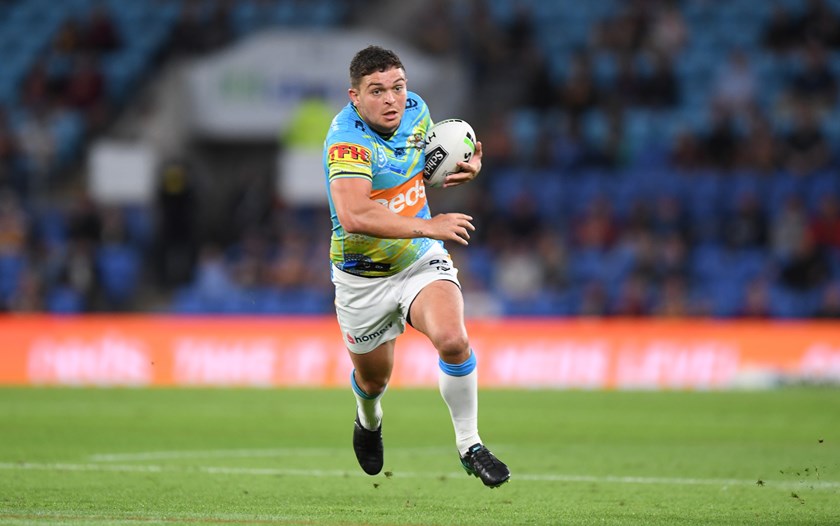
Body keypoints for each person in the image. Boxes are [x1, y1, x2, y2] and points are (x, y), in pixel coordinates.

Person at [323, 45, 510, 488]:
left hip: (418, 259)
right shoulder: (346, 141)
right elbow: (354, 215)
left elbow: (419, 170)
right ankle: (368, 419)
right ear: (354, 96)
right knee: (374, 380)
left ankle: (470, 445)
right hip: (362, 277)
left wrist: (462, 169)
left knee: (453, 339)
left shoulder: (416, 111)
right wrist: (429, 225)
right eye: (377, 91)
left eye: (398, 87)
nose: (391, 99)